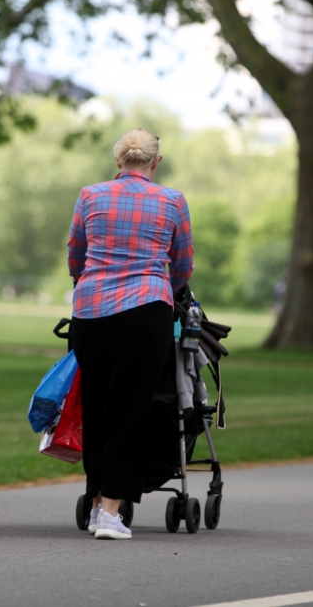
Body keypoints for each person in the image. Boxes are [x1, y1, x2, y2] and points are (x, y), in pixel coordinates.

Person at [67, 128, 194, 540]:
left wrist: (86, 283)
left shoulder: (90, 195)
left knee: (97, 407)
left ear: (118, 161)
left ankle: (96, 498)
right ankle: (108, 511)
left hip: (91, 312)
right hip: (146, 311)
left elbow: (76, 254)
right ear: (154, 163)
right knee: (130, 409)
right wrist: (165, 286)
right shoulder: (172, 201)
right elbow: (183, 264)